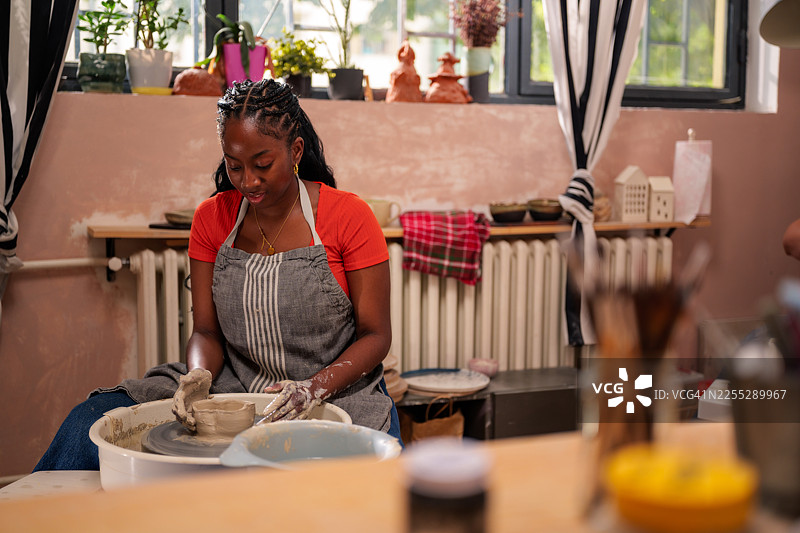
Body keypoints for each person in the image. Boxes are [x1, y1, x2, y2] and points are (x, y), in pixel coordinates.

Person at [35, 78, 401, 471]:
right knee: (87, 422)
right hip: (234, 384)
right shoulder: (212, 217)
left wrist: (313, 388)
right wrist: (198, 376)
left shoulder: (348, 216)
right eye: (234, 165)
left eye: (262, 165)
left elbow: (376, 335)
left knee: (331, 484)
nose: (248, 182)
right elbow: (207, 331)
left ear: (295, 150)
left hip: (333, 390)